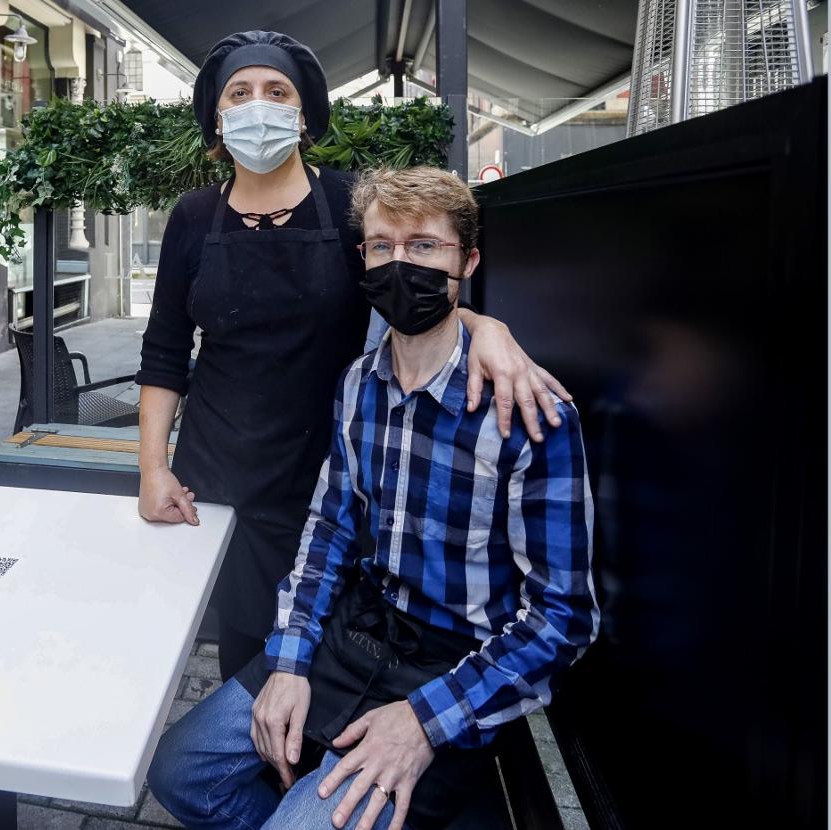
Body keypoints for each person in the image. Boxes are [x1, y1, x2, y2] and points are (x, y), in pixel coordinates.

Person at [146, 166, 599, 830]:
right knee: (179, 771)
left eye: (424, 246)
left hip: (456, 667)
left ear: (466, 261)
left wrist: (425, 721)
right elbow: (329, 530)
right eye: (382, 245)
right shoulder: (359, 385)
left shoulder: (531, 414)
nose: (400, 262)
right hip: (354, 632)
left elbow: (564, 616)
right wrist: (291, 662)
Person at [135, 31, 573, 681]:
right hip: (217, 483)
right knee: (242, 658)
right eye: (241, 93)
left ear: (303, 115)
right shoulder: (194, 218)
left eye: (276, 91)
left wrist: (487, 327)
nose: (260, 104)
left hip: (327, 484)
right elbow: (166, 348)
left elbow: (413, 290)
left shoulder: (347, 206)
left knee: (318, 658)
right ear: (219, 119)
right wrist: (150, 468)